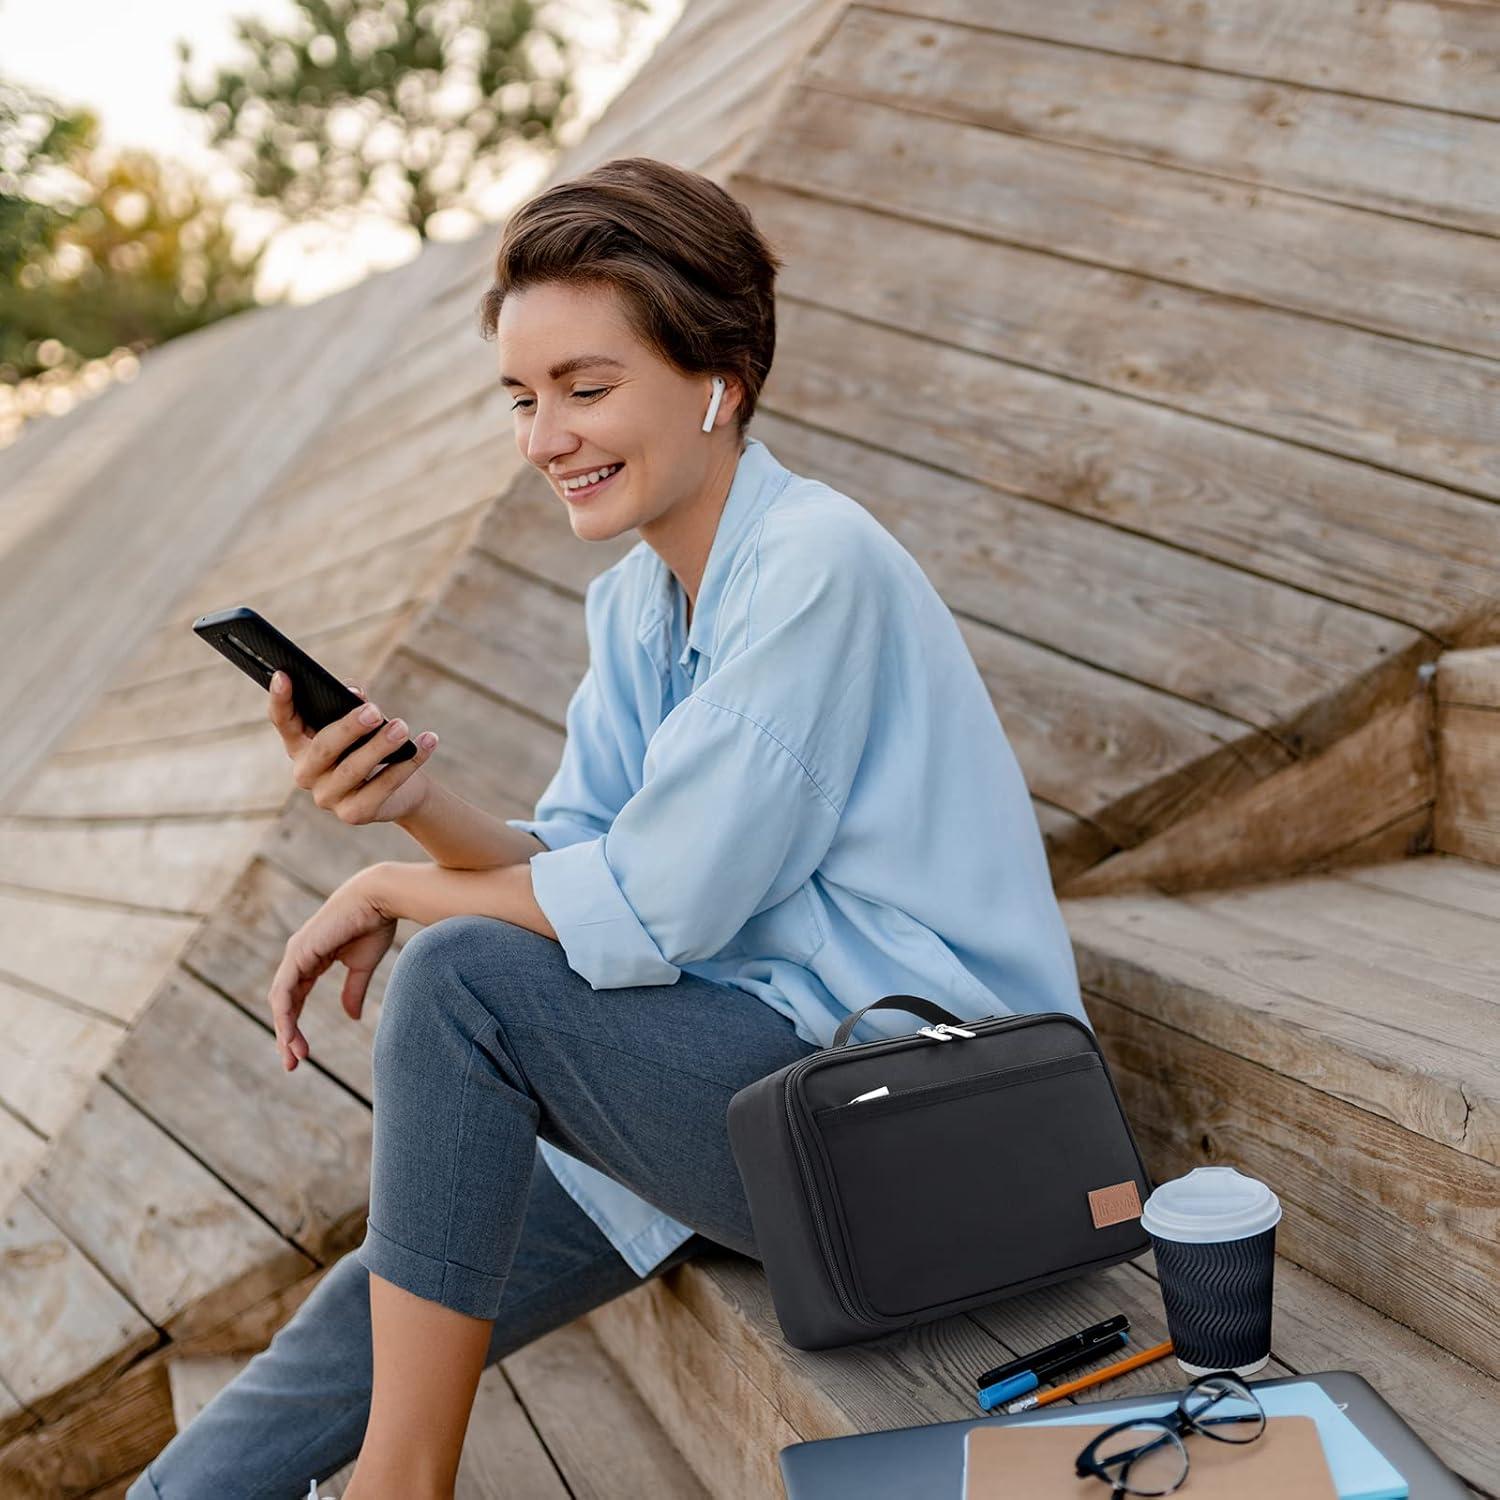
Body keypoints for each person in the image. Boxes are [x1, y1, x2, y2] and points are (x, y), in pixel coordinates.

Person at [127, 156, 1086, 1499]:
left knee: (463, 981)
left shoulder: (815, 563)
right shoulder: (640, 605)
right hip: (755, 1094)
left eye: (586, 388)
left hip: (926, 1140)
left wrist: (406, 891)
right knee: (395, 1288)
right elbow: (584, 878)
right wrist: (413, 803)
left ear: (721, 379)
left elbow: (655, 910)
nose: (544, 436)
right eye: (524, 399)